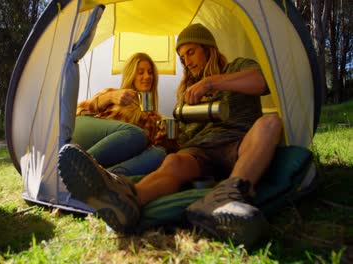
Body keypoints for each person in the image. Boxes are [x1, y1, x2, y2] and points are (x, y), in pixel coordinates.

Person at [58, 24, 282, 246]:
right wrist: (172, 141)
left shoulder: (236, 67)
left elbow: (262, 82)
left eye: (190, 52)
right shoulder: (185, 93)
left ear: (208, 48)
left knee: (270, 123)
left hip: (239, 141)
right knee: (173, 161)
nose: (187, 61)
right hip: (202, 149)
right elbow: (77, 112)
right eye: (183, 57)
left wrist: (210, 82)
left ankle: (229, 197)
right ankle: (128, 199)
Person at [71, 52, 166, 176]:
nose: (147, 76)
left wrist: (162, 139)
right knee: (136, 134)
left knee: (159, 153)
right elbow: (76, 112)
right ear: (131, 75)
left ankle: (105, 178)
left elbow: (139, 152)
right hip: (89, 140)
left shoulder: (155, 118)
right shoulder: (115, 94)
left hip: (113, 158)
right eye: (141, 72)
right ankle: (76, 168)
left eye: (150, 72)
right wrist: (109, 97)